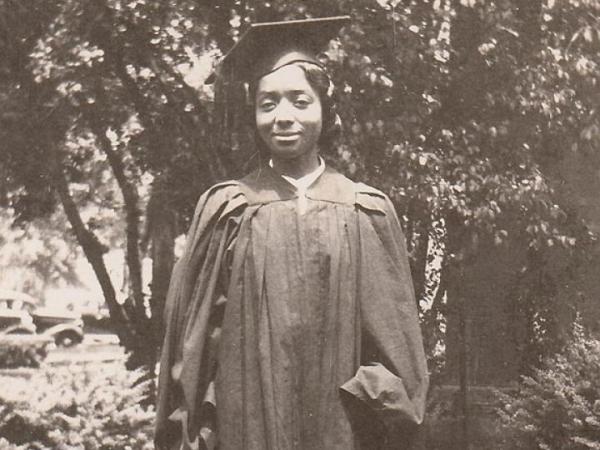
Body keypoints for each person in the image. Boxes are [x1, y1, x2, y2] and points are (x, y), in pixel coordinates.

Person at [155, 16, 429, 450]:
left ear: (326, 107)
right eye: (268, 104)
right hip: (245, 426)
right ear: (254, 113)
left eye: (300, 101)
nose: (283, 117)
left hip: (340, 429)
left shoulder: (364, 210)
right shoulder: (228, 210)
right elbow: (192, 352)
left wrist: (368, 403)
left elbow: (397, 349)